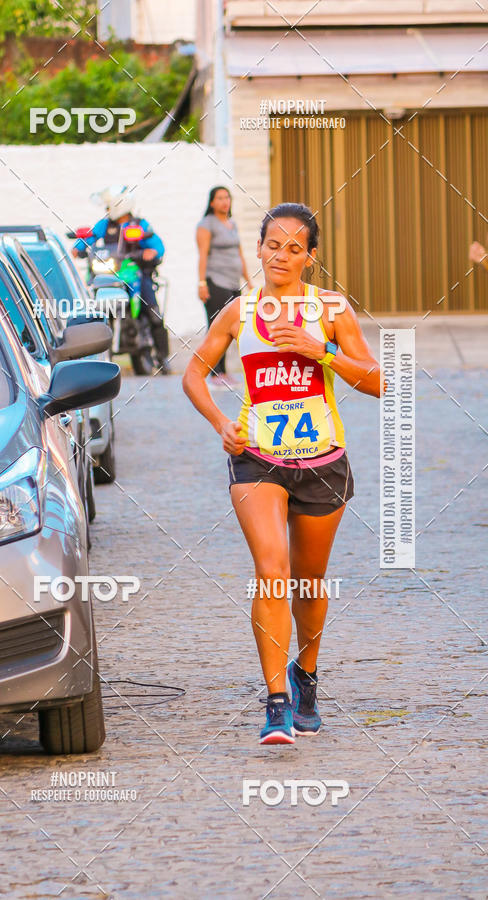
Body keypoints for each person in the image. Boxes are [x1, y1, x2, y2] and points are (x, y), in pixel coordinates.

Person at [183, 202, 382, 745]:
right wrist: (223, 422)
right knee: (272, 569)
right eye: (273, 244)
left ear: (310, 258)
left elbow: (377, 381)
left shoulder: (332, 310)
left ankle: (306, 675)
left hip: (322, 462)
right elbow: (194, 374)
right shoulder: (239, 311)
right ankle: (275, 701)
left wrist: (323, 353)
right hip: (257, 460)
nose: (281, 255)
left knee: (309, 579)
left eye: (295, 248)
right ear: (259, 247)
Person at [73, 190, 171, 373]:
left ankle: (163, 356)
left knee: (152, 311)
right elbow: (91, 237)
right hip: (108, 274)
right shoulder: (105, 224)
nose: (107, 209)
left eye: (110, 206)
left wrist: (152, 252)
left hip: (135, 275)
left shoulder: (139, 225)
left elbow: (157, 245)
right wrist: (78, 248)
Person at [196, 186, 252, 389]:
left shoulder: (232, 224)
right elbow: (202, 255)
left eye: (227, 197)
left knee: (231, 328)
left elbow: (240, 255)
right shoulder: (206, 225)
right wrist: (202, 283)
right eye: (219, 198)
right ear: (212, 202)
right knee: (216, 327)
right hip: (215, 281)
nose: (224, 201)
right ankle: (213, 373)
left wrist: (248, 281)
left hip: (233, 283)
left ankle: (224, 371)